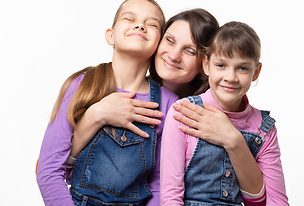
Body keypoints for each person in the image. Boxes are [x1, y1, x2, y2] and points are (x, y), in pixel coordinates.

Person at [69, 10, 270, 206]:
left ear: (206, 62)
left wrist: (234, 140)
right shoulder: (113, 95)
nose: (174, 55)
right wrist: (95, 115)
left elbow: (258, 199)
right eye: (170, 40)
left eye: (190, 50)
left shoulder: (219, 113)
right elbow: (57, 169)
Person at [36, 0, 179, 206]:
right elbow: (48, 170)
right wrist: (97, 114)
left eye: (151, 24)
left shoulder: (168, 103)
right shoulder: (81, 85)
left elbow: (158, 183)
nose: (140, 26)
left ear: (158, 44)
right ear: (110, 36)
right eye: (129, 19)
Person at [160, 21, 289, 206]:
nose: (230, 77)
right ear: (206, 64)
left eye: (242, 68)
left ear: (256, 72)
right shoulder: (184, 112)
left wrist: (235, 141)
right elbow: (171, 196)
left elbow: (277, 201)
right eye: (221, 65)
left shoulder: (263, 128)